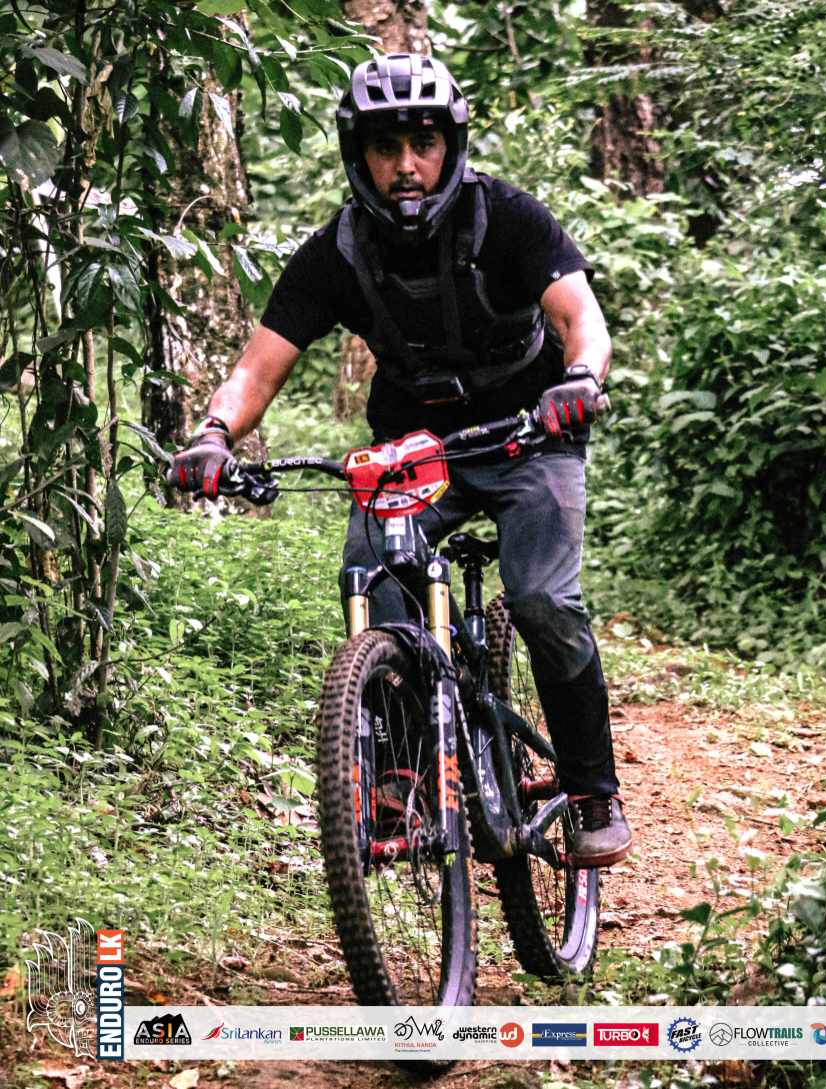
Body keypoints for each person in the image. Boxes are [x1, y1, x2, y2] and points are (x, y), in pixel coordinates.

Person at [169, 52, 632, 867]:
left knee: (543, 598)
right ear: (361, 156)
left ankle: (593, 787)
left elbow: (579, 318)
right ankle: (402, 771)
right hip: (412, 454)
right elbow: (257, 369)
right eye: (387, 147)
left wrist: (581, 380)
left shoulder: (508, 219)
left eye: (423, 143)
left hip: (529, 435)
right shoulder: (338, 252)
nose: (407, 165)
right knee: (375, 582)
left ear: (451, 147)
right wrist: (213, 434)